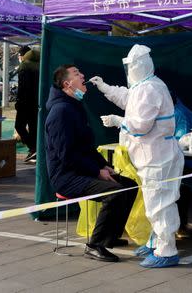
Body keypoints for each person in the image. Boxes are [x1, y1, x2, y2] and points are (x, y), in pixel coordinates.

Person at [89, 44, 184, 268]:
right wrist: (104, 87)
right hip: (153, 157)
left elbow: (140, 125)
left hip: (158, 158)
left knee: (160, 205)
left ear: (139, 65)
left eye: (131, 65)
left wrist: (117, 120)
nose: (130, 69)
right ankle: (155, 242)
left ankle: (167, 250)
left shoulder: (150, 88)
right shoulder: (145, 86)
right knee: (155, 203)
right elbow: (128, 98)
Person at [45, 64, 137, 263]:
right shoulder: (61, 111)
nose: (83, 75)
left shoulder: (74, 106)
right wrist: (96, 171)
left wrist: (103, 165)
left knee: (130, 186)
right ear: (67, 84)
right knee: (115, 194)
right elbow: (67, 155)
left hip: (81, 169)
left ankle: (109, 236)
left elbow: (87, 147)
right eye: (77, 74)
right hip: (66, 176)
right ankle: (96, 246)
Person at [15, 45, 40, 164]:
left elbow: (22, 87)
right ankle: (35, 150)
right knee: (34, 127)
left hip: (25, 102)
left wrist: (19, 102)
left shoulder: (24, 66)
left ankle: (33, 148)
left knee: (19, 126)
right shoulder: (40, 66)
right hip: (37, 102)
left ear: (23, 56)